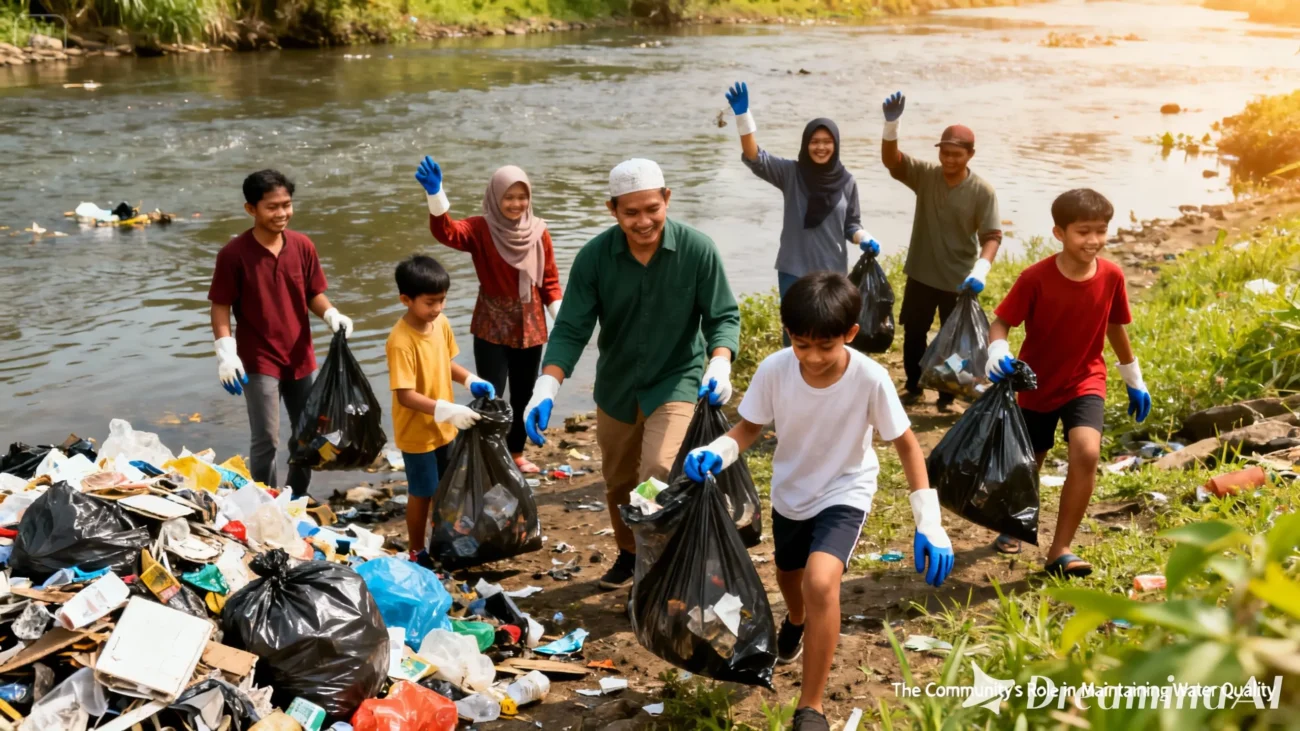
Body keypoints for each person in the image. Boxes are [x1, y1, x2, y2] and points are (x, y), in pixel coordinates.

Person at [681, 271, 954, 731]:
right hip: (792, 493)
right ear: (789, 334)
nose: (812, 357)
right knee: (791, 579)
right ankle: (796, 621)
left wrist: (928, 519)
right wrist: (717, 450)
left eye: (825, 346)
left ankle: (812, 707)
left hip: (846, 489)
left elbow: (906, 443)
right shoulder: (774, 369)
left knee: (822, 581)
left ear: (850, 334)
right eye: (801, 344)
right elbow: (749, 428)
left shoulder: (870, 378)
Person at [523, 158, 741, 590]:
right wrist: (546, 386)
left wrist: (720, 361)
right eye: (631, 212)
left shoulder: (697, 250)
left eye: (652, 209)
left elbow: (723, 316)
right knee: (619, 480)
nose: (643, 221)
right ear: (612, 209)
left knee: (658, 471)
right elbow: (570, 329)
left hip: (676, 378)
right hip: (618, 386)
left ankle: (657, 565)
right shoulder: (594, 259)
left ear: (667, 200)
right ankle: (628, 553)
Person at [984, 189, 1152, 577]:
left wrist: (1133, 377)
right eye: (1083, 232)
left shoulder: (1112, 276)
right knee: (1029, 464)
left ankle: (1060, 549)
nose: (1093, 241)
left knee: (1087, 452)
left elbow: (1115, 325)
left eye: (1100, 231)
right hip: (1036, 384)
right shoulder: (1035, 278)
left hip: (1085, 379)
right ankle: (1013, 523)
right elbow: (1001, 322)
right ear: (1059, 233)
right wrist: (996, 351)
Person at [208, 169, 354, 497]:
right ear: (251, 209)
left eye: (287, 205)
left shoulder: (302, 246)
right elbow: (220, 306)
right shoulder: (234, 255)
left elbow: (313, 293)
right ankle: (264, 499)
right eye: (272, 207)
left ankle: (297, 496)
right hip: (258, 359)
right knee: (266, 439)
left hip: (301, 356)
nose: (282, 213)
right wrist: (225, 354)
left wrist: (331, 314)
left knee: (307, 434)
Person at [415, 157, 563, 474]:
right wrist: (436, 194)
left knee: (524, 391)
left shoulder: (539, 232)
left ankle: (516, 451)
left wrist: (562, 319)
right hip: (491, 322)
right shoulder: (481, 229)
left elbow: (550, 282)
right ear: (495, 197)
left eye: (521, 197)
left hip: (531, 322)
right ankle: (488, 455)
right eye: (508, 197)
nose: (516, 203)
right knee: (491, 390)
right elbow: (447, 232)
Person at [880, 91, 1002, 411]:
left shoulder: (982, 191)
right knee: (914, 332)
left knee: (956, 341)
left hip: (959, 280)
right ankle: (914, 385)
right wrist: (891, 125)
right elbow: (893, 161)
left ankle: (947, 394)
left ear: (970, 155)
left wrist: (981, 270)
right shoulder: (925, 176)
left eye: (956, 155)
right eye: (945, 153)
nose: (949, 160)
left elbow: (992, 236)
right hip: (921, 272)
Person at [386, 254, 497, 563]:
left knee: (446, 489)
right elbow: (405, 395)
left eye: (442, 301)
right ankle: (416, 549)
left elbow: (445, 363)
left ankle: (445, 538)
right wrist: (449, 410)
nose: (437, 309)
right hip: (417, 432)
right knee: (422, 492)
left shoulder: (441, 324)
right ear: (406, 300)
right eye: (430, 303)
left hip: (445, 428)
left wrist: (470, 380)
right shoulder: (400, 341)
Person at [724, 81, 880, 301]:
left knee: (830, 334)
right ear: (806, 144)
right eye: (814, 141)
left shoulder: (847, 182)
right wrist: (743, 117)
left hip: (833, 275)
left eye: (827, 142)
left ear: (835, 145)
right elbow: (755, 157)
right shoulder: (791, 174)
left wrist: (863, 236)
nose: (821, 147)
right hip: (793, 271)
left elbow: (851, 225)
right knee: (795, 333)